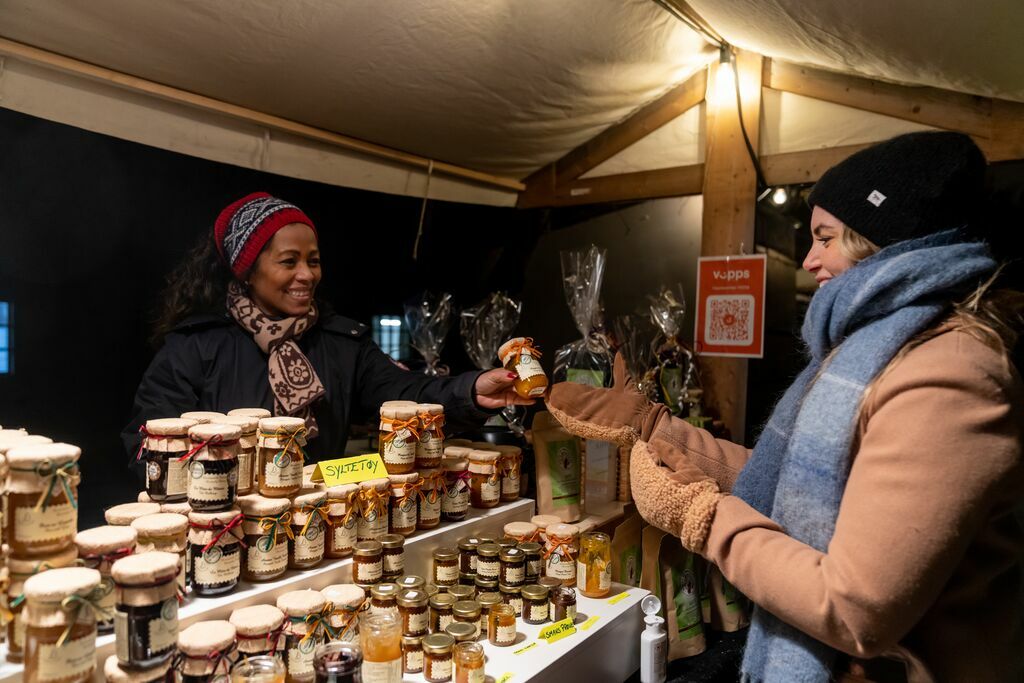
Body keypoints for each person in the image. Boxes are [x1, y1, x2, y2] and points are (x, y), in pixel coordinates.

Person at [546, 132, 1023, 682]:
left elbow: (855, 610)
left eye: (824, 238)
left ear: (880, 241)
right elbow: (795, 488)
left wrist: (701, 518)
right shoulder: (876, 350)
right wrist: (654, 426)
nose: (808, 259)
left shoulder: (949, 374)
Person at [122, 192, 532, 461]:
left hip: (321, 531)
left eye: (313, 260)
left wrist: (472, 390)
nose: (306, 275)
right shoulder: (197, 346)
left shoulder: (341, 342)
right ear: (247, 271)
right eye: (288, 262)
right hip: (224, 535)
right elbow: (146, 440)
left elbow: (408, 393)